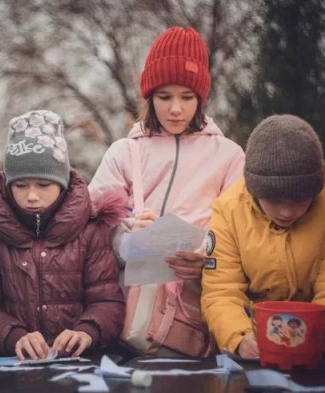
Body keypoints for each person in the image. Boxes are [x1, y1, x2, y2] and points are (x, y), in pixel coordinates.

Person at [87, 27, 245, 356]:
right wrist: (126, 240)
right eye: (164, 97)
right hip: (128, 323)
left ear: (201, 98)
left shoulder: (230, 156)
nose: (176, 109)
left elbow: (243, 233)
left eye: (187, 97)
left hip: (199, 319)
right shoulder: (122, 152)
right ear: (149, 96)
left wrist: (208, 260)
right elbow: (90, 226)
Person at [0, 110, 126, 360]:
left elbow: (108, 301)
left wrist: (87, 332)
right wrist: (14, 335)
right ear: (8, 184)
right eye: (21, 185)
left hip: (80, 365)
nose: (32, 195)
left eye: (44, 185)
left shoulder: (90, 230)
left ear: (62, 183)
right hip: (10, 365)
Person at [201, 114, 325, 359]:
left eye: (300, 199)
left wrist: (319, 334)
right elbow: (221, 291)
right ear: (254, 189)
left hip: (323, 346)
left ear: (317, 189)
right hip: (258, 338)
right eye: (274, 200)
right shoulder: (228, 209)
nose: (287, 212)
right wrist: (240, 338)